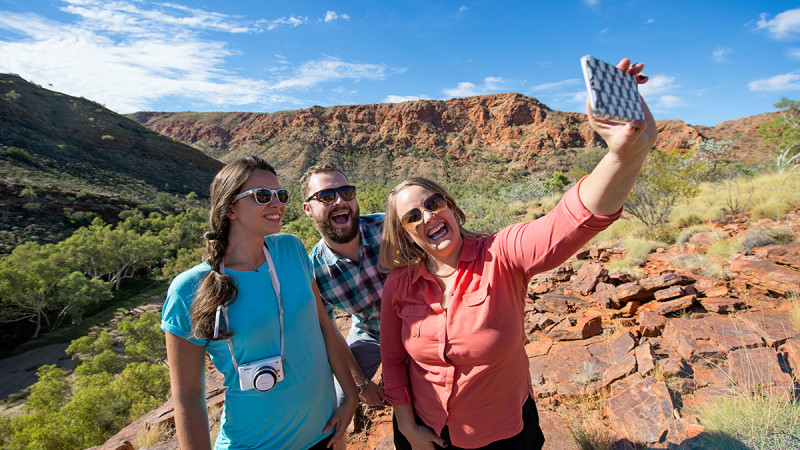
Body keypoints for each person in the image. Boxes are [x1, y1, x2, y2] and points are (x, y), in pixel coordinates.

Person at [378, 58, 658, 450]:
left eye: (433, 202)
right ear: (406, 235)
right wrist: (408, 428)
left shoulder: (501, 254)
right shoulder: (399, 285)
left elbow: (569, 221)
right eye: (412, 216)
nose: (428, 216)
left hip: (502, 434)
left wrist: (624, 156)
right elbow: (393, 361)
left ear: (450, 206)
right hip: (425, 431)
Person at [162, 155, 357, 450]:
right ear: (230, 208)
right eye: (262, 196)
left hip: (326, 433)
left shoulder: (291, 249)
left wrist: (350, 395)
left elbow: (324, 325)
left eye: (280, 195)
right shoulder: (189, 289)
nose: (276, 203)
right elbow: (188, 397)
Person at [300, 163, 386, 408]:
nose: (339, 201)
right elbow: (329, 331)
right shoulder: (313, 272)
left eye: (346, 193)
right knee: (335, 403)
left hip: (419, 325)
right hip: (371, 332)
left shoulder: (387, 228)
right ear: (308, 209)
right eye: (326, 197)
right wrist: (361, 385)